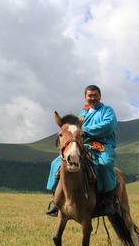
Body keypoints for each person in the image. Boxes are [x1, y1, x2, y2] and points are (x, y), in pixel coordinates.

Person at [46, 85, 117, 217]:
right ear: (85, 97)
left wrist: (84, 131)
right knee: (57, 163)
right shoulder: (82, 114)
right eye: (90, 95)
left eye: (95, 95)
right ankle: (57, 201)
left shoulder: (107, 110)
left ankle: (108, 201)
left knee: (105, 164)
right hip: (82, 144)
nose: (93, 98)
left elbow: (108, 126)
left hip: (103, 145)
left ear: (100, 96)